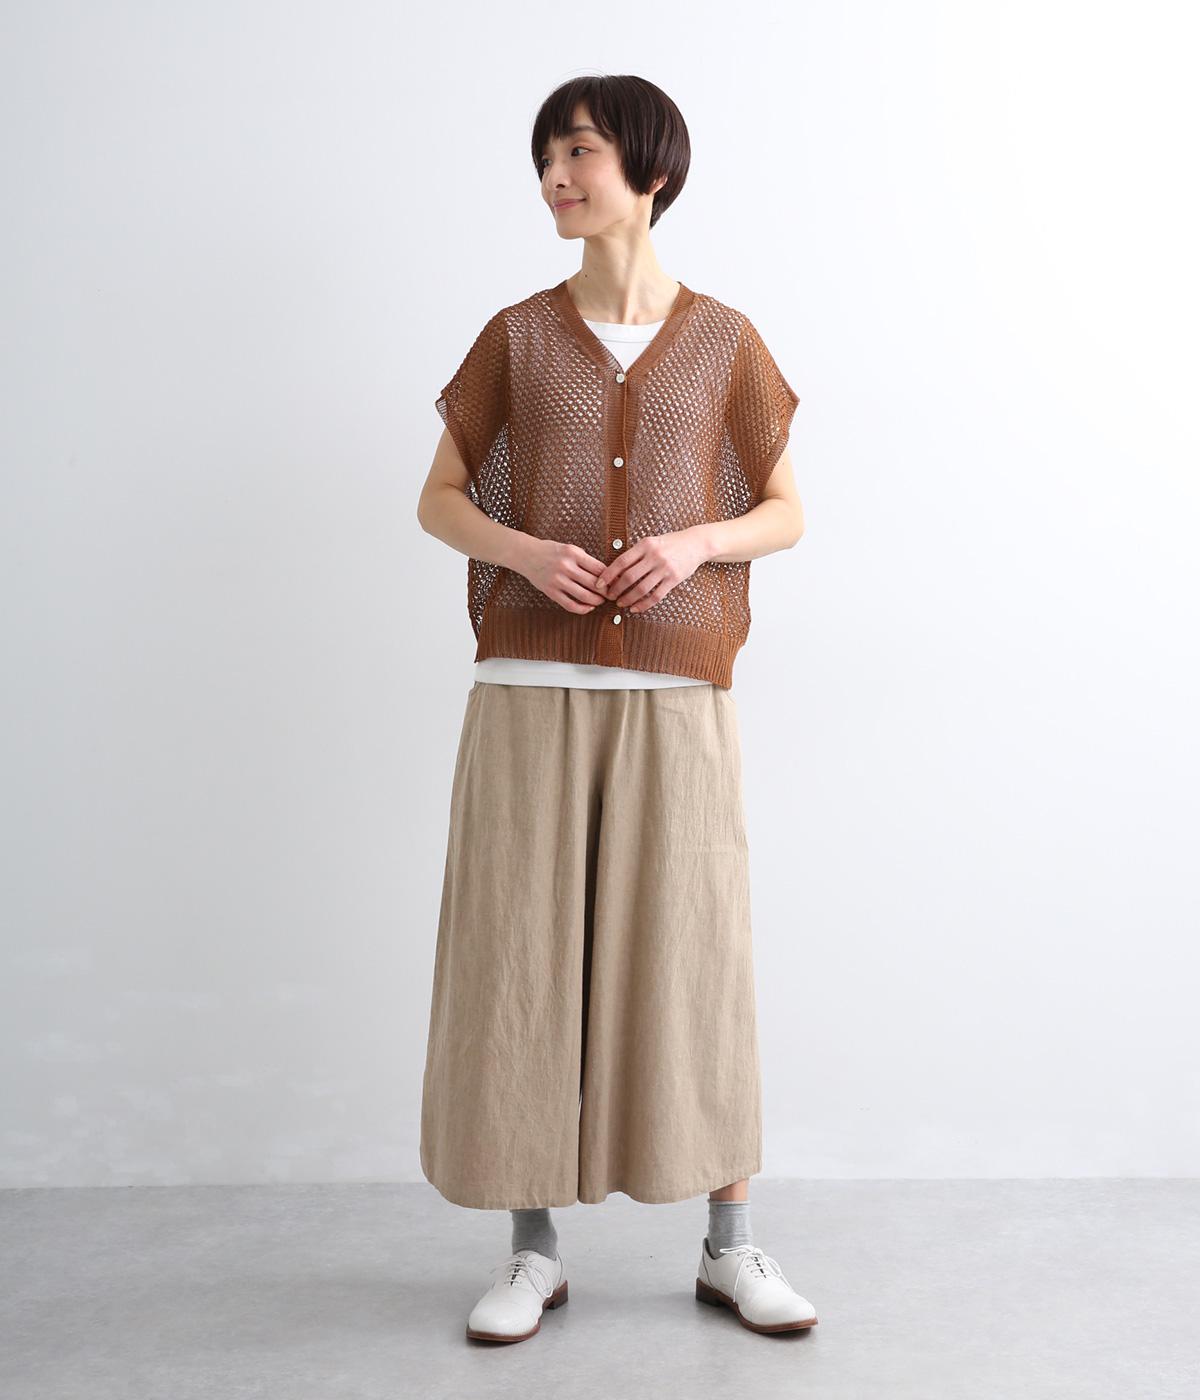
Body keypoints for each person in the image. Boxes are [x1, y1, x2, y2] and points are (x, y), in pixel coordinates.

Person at [416, 73, 818, 1343]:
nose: (555, 176)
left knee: (697, 951)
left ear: (650, 167)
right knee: (521, 954)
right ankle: (531, 1251)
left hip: (678, 691)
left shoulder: (726, 341)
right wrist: (526, 552)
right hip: (528, 689)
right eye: (545, 156)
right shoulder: (517, 336)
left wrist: (696, 540)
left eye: (578, 151)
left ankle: (731, 1246)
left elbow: (786, 511)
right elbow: (439, 498)